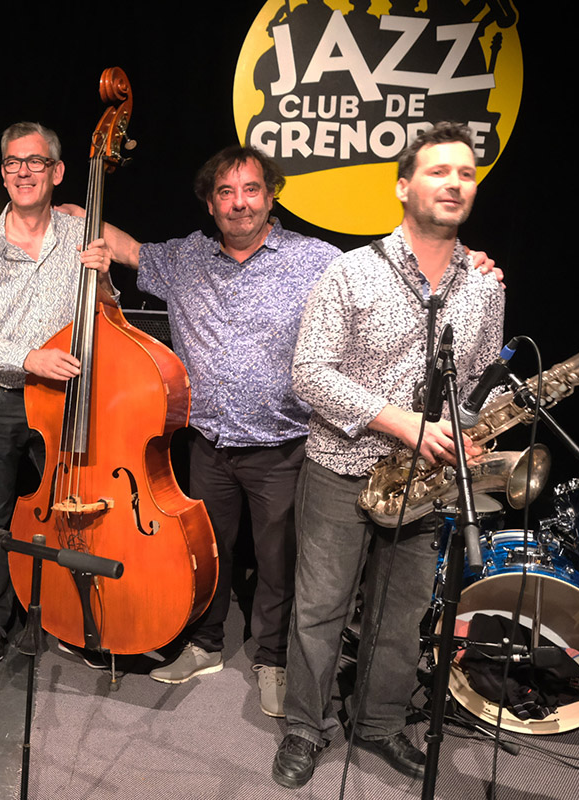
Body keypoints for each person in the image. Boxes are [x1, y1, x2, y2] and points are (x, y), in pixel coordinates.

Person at [271, 122, 504, 788]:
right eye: (438, 171)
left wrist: (473, 428)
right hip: (341, 469)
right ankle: (305, 727)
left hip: (426, 481)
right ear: (403, 187)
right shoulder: (350, 271)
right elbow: (309, 372)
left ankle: (377, 724)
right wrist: (403, 422)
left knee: (402, 617)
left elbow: (481, 378)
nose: (454, 183)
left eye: (465, 173)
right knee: (319, 610)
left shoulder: (485, 285)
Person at [76, 145, 340, 718]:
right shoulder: (186, 258)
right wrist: (72, 212)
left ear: (270, 196)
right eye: (226, 192)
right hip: (207, 443)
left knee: (278, 562)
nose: (239, 203)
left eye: (251, 189)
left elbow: (373, 286)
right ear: (210, 203)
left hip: (282, 444)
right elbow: (126, 247)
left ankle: (273, 659)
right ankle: (205, 645)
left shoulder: (316, 259)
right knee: (204, 553)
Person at [0, 121, 111, 663]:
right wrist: (29, 358)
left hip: (65, 400)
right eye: (13, 162)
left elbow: (107, 316)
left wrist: (107, 280)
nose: (23, 172)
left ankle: (59, 615)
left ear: (57, 172)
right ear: (3, 172)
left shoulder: (82, 236)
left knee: (66, 510)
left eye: (35, 162)